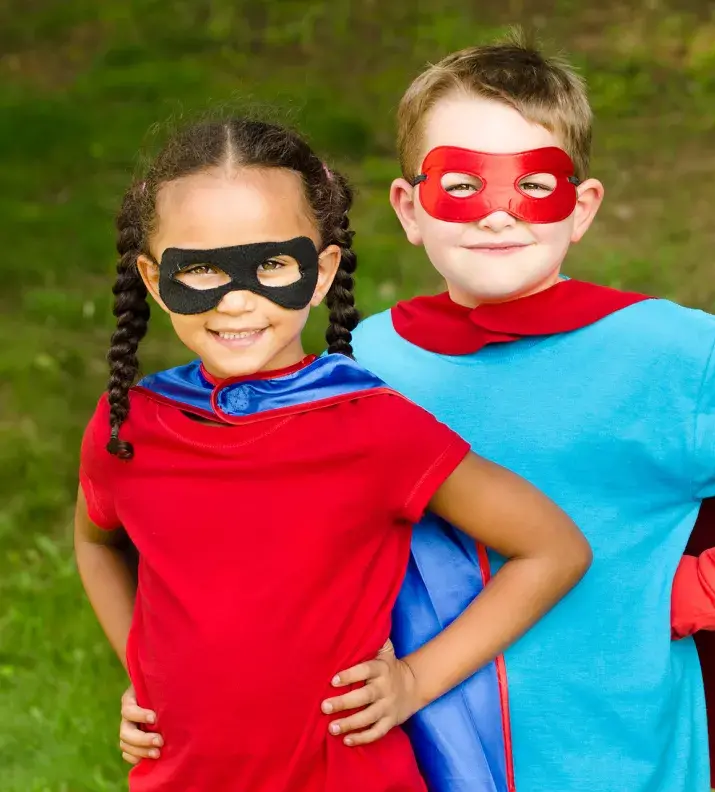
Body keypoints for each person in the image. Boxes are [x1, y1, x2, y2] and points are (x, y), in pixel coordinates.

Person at [115, 39, 715, 792]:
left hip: (614, 753)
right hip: (425, 753)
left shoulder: (664, 352)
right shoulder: (364, 362)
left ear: (582, 207)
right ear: (408, 208)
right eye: (462, 184)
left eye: (534, 184)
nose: (500, 215)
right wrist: (171, 681)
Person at [74, 116, 592, 792]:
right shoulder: (131, 427)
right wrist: (142, 672)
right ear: (152, 278)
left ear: (320, 274)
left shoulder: (372, 429)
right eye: (200, 268)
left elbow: (553, 549)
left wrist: (413, 680)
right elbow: (95, 539)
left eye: (271, 265)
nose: (237, 298)